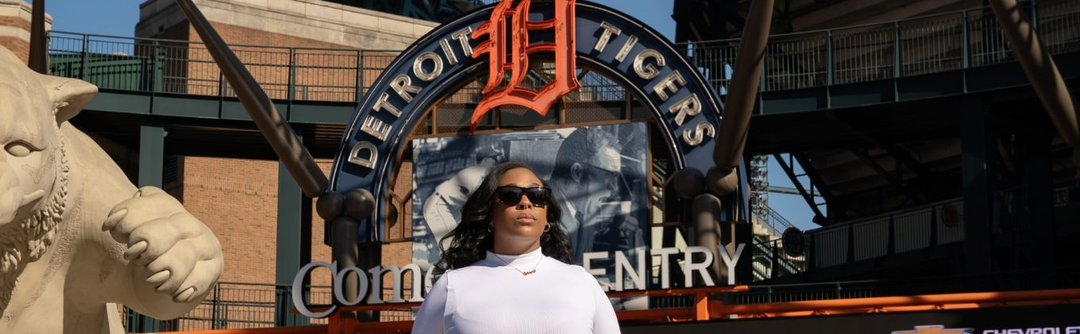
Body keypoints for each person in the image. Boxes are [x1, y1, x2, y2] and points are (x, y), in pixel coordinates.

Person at [412, 161, 621, 334]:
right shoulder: (451, 286)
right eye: (510, 195)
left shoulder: (583, 283)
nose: (525, 202)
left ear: (547, 215)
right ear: (489, 213)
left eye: (537, 195)